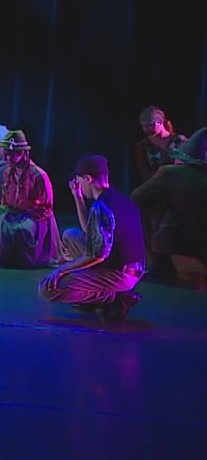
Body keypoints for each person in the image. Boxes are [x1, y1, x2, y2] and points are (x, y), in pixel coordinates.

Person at [39, 155, 144, 321]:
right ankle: (102, 294)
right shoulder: (119, 199)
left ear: (88, 179)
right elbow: (90, 232)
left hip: (121, 272)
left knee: (47, 288)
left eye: (79, 181)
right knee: (71, 235)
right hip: (129, 265)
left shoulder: (102, 206)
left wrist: (62, 269)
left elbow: (97, 255)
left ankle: (114, 298)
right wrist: (78, 197)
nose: (79, 186)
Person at [0, 130, 62, 268]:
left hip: (34, 217)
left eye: (9, 155)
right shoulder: (8, 172)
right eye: (4, 155)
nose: (6, 159)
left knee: (13, 225)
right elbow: (5, 199)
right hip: (14, 212)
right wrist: (9, 213)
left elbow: (46, 209)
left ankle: (4, 258)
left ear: (22, 153)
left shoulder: (38, 176)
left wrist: (18, 217)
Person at [131, 127, 207, 284]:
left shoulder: (169, 172)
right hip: (201, 240)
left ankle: (162, 266)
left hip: (175, 236)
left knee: (138, 209)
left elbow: (136, 197)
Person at [133, 106, 186, 186]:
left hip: (180, 185)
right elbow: (145, 173)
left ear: (160, 122)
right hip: (157, 187)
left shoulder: (180, 140)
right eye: (143, 126)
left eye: (150, 125)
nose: (146, 129)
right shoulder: (143, 146)